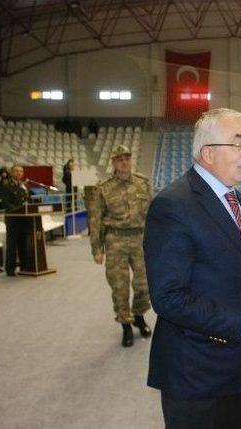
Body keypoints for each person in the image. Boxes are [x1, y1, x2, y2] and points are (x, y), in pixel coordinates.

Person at [144, 108, 241, 429]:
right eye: (238, 144)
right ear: (208, 153)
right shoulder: (174, 205)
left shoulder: (232, 196)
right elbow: (169, 298)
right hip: (198, 373)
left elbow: (218, 253)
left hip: (236, 366)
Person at [88, 144, 153, 347]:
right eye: (120, 159)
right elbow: (95, 220)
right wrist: (97, 249)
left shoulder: (143, 183)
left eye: (127, 158)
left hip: (140, 240)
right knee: (120, 287)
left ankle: (139, 315)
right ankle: (125, 324)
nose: (124, 162)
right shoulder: (104, 187)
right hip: (115, 241)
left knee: (144, 285)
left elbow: (152, 214)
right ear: (114, 163)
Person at [0, 165, 30, 276]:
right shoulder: (6, 185)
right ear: (12, 173)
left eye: (21, 171)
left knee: (23, 242)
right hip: (13, 218)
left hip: (24, 218)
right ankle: (10, 269)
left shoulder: (23, 186)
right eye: (16, 171)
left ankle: (24, 266)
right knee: (12, 244)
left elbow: (27, 200)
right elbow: (6, 202)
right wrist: (18, 210)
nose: (19, 173)